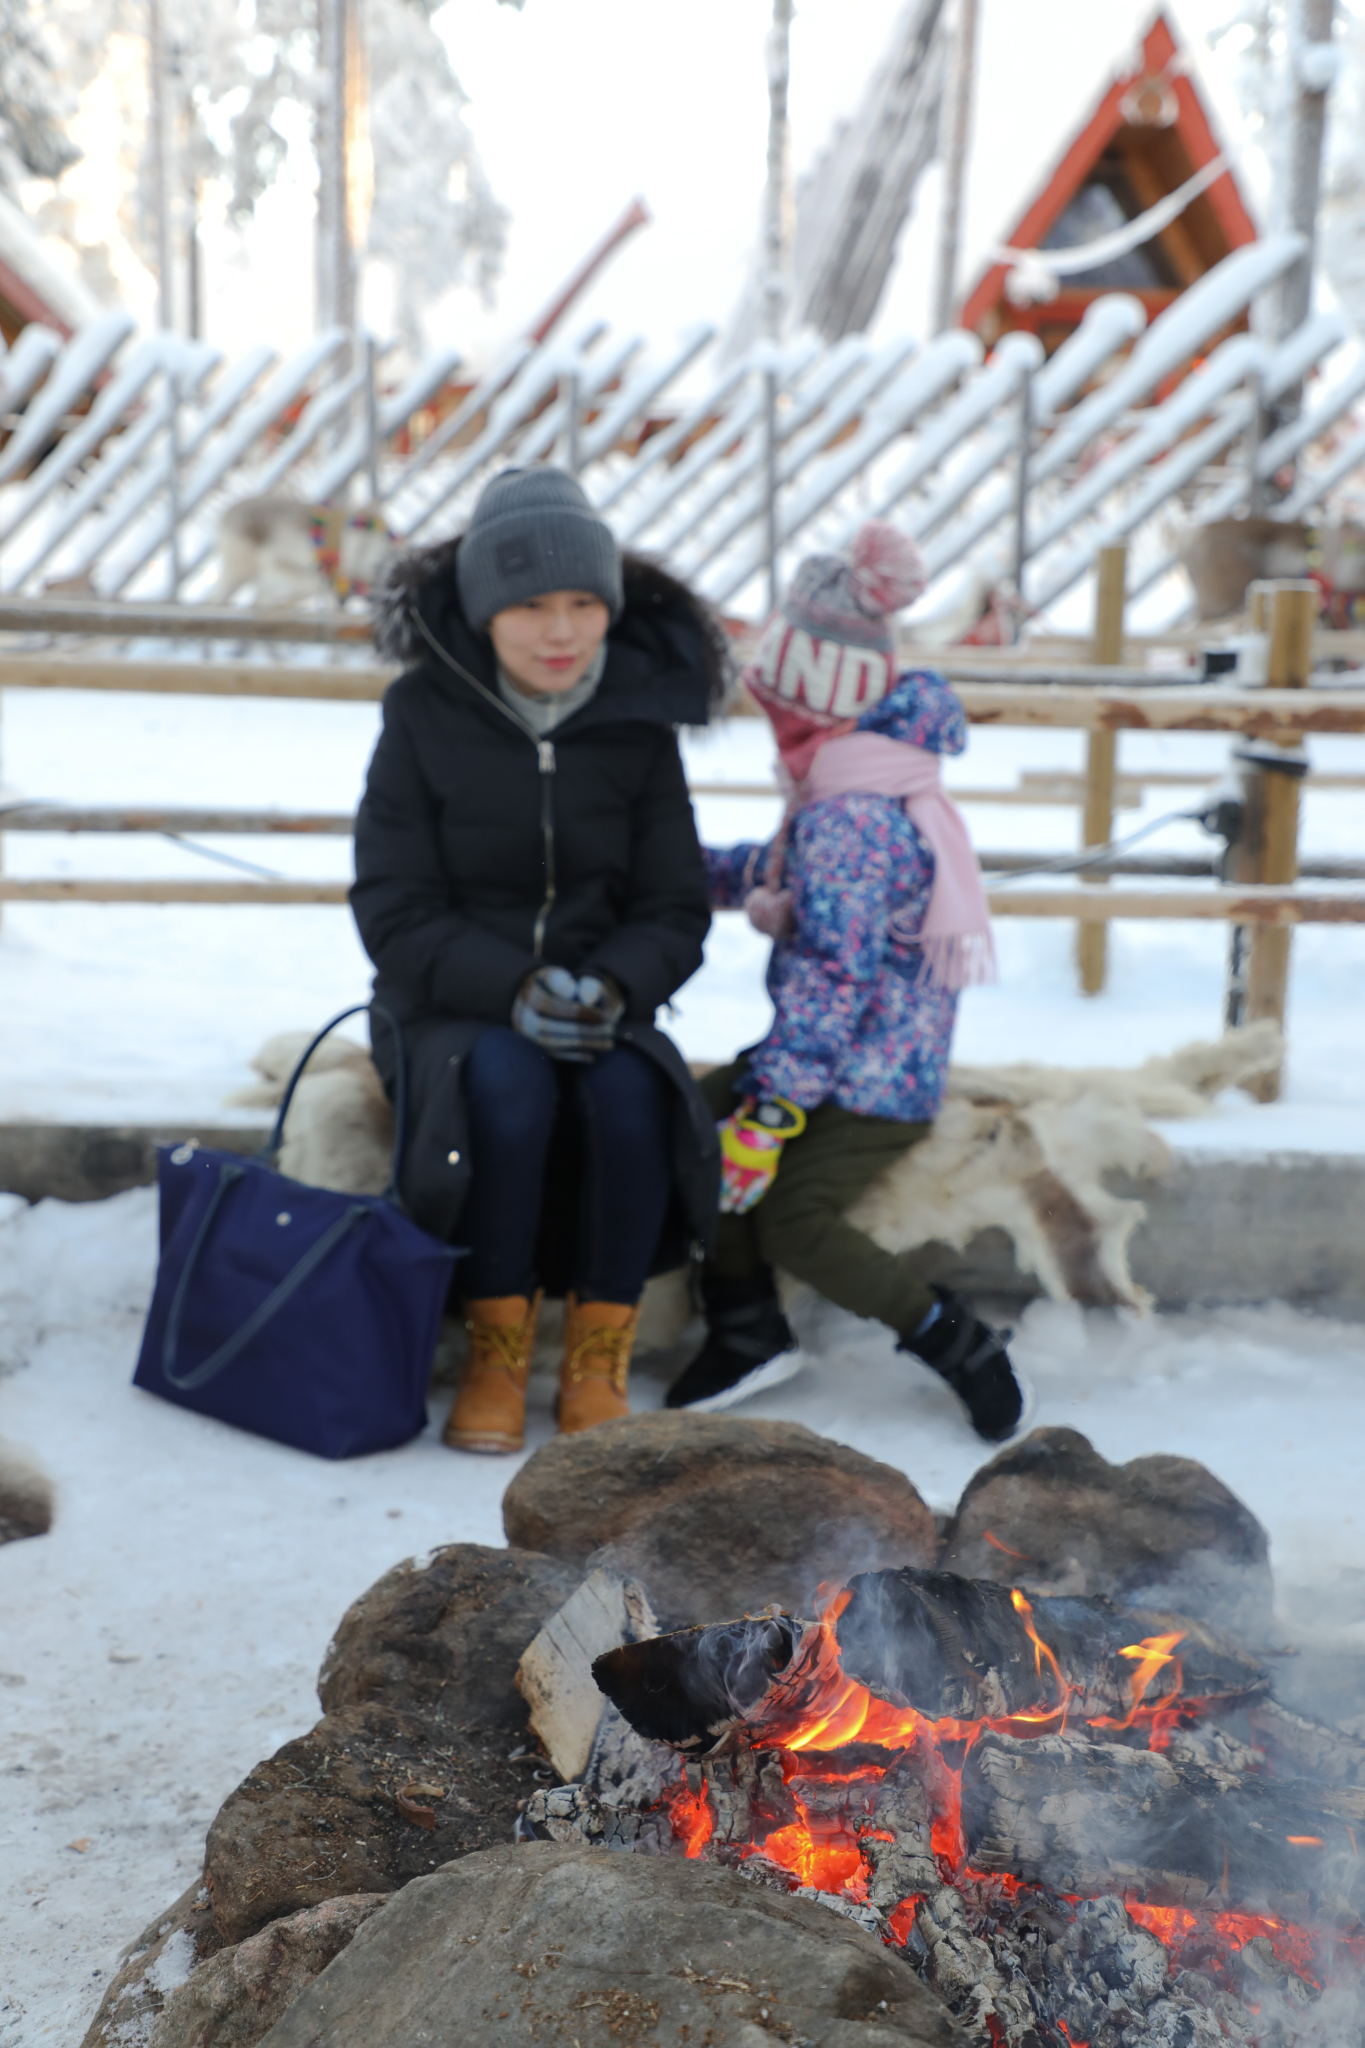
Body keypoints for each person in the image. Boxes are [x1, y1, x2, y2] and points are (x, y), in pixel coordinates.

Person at [351, 467, 724, 1454]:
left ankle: (598, 1353)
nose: (560, 629)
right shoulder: (423, 713)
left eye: (583, 602)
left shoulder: (640, 724)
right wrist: (510, 988)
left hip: (605, 994)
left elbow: (674, 904)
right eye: (529, 604)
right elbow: (393, 904)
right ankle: (496, 1347)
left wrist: (615, 985)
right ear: (484, 609)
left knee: (631, 1093)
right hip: (451, 1000)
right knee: (508, 1082)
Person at [666, 521, 1027, 1444]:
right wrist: (685, 868)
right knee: (688, 1122)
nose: (770, 726)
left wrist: (772, 1112)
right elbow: (798, 882)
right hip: (841, 1054)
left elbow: (833, 972)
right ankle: (746, 1324)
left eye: (780, 709)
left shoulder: (850, 818)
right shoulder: (854, 789)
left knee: (792, 1214)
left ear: (817, 708)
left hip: (872, 1079)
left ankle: (951, 1338)